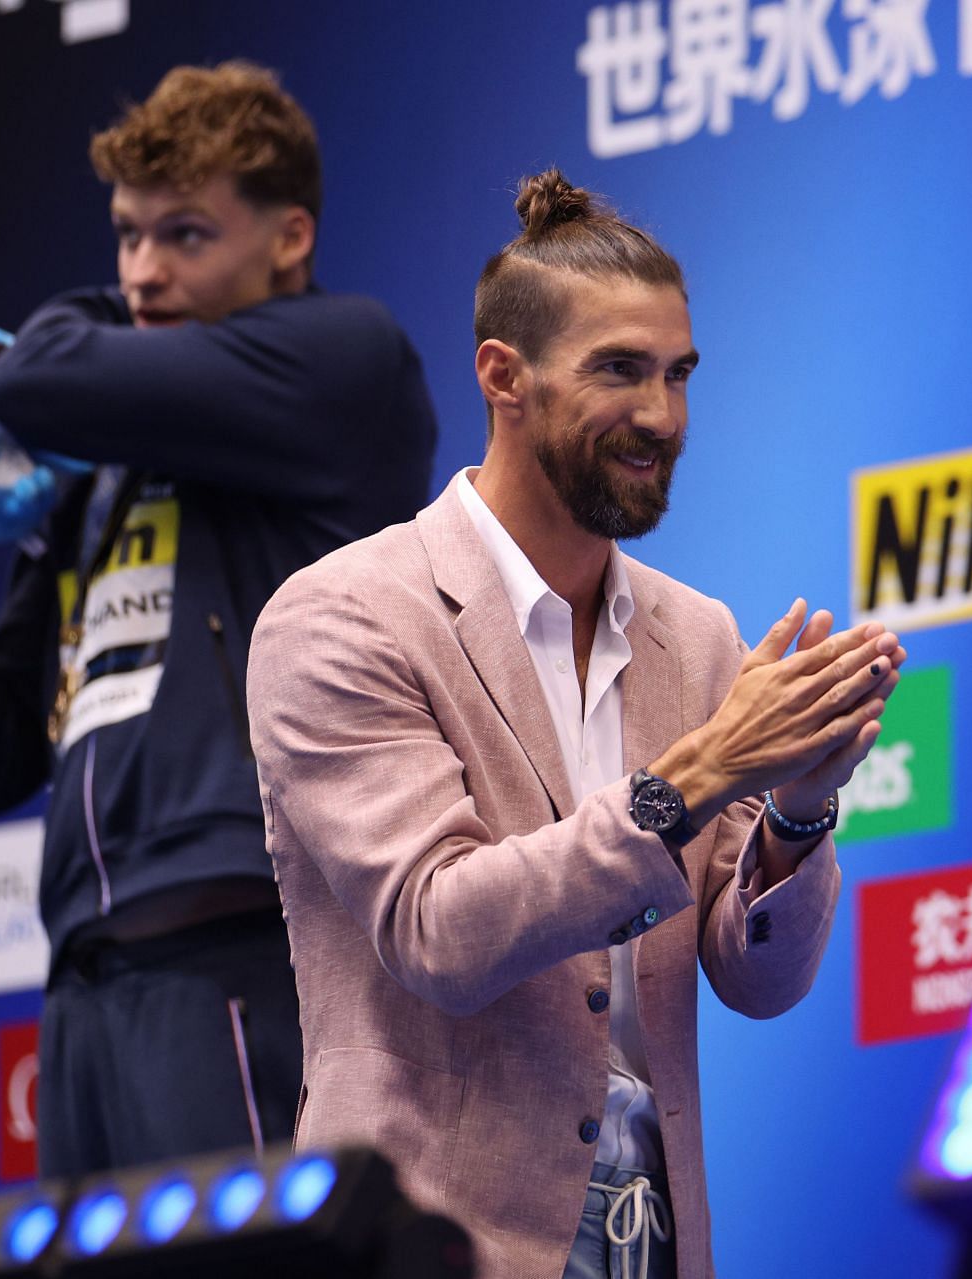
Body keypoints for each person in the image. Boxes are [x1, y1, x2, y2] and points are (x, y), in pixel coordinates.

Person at [247, 169, 902, 1279]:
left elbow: (758, 980)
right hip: (425, 1243)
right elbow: (440, 931)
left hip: (659, 1237)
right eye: (619, 371)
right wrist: (701, 770)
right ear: (503, 376)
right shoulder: (344, 616)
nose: (663, 416)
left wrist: (800, 805)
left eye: (678, 374)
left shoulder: (694, 636)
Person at [0, 62, 438, 1176]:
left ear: (289, 239)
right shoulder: (98, 467)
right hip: (83, 992)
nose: (144, 273)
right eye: (125, 237)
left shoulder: (346, 359)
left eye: (186, 235)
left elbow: (41, 371)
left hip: (249, 951)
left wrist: (57, 348)